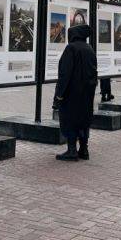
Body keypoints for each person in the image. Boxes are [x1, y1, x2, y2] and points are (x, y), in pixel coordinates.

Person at [53, 24, 97, 160]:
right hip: (87, 93)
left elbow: (65, 74)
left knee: (70, 119)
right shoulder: (89, 48)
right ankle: (84, 149)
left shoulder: (71, 48)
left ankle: (72, 150)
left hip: (71, 93)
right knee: (84, 120)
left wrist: (59, 95)